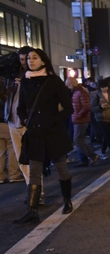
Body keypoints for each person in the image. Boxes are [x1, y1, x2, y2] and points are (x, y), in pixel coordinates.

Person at [15, 48, 75, 223]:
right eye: (28, 58)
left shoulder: (53, 81)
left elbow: (68, 108)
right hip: (34, 133)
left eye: (34, 58)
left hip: (53, 132)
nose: (30, 61)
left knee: (61, 168)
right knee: (34, 171)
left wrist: (53, 120)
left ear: (43, 61)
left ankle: (67, 200)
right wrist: (24, 119)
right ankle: (32, 210)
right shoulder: (25, 82)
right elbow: (21, 107)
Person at [3, 46, 31, 188]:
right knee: (21, 160)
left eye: (26, 59)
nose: (24, 62)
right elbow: (6, 96)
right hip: (12, 120)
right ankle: (32, 189)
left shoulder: (33, 77)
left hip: (27, 122)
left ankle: (37, 192)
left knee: (33, 160)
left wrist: (25, 84)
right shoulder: (13, 76)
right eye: (21, 59)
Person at [67, 76, 99, 167]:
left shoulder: (81, 91)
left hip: (81, 119)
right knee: (79, 140)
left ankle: (92, 156)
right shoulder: (78, 91)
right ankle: (84, 159)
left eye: (69, 85)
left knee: (77, 139)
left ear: (72, 84)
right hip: (78, 118)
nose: (69, 88)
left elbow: (86, 106)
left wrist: (78, 115)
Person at [90, 79, 110, 163]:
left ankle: (103, 152)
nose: (104, 88)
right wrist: (100, 107)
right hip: (102, 119)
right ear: (99, 87)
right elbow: (92, 108)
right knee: (108, 136)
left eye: (106, 86)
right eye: (102, 87)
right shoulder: (95, 95)